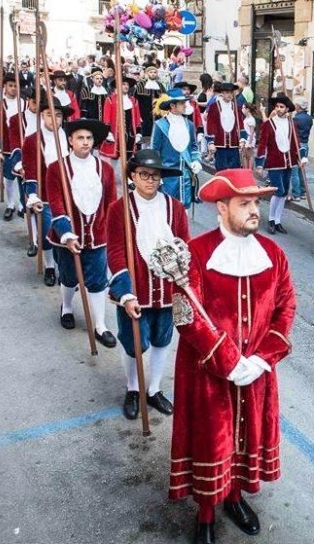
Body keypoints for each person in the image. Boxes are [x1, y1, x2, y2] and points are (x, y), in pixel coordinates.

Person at [168, 168, 296, 544]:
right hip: (208, 374)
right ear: (222, 208)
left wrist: (260, 359)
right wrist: (227, 361)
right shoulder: (196, 253)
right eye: (245, 203)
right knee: (212, 441)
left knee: (246, 437)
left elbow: (286, 308)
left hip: (256, 372)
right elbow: (186, 315)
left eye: (256, 202)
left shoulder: (273, 253)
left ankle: (235, 497)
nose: (254, 210)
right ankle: (206, 514)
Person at [106, 150, 190, 420]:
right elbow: (116, 251)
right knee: (134, 342)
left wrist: (184, 275)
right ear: (132, 176)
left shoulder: (174, 207)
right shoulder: (120, 208)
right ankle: (133, 388)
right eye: (144, 174)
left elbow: (184, 245)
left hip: (167, 289)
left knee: (163, 339)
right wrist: (126, 293)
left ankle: (153, 389)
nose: (150, 180)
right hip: (136, 289)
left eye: (155, 176)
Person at [45, 119, 118, 348]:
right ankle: (66, 307)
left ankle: (99, 325)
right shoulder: (56, 168)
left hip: (98, 235)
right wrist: (66, 234)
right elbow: (56, 204)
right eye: (80, 138)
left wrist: (112, 231)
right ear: (70, 141)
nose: (85, 142)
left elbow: (111, 203)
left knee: (97, 281)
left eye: (88, 138)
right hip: (68, 236)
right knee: (68, 276)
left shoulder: (104, 169)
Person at [15, 94, 69, 286]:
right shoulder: (32, 140)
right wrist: (32, 194)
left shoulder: (69, 137)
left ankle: (65, 269)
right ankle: (49, 267)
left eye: (59, 115)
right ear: (42, 116)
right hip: (45, 195)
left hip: (67, 195)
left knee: (65, 234)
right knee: (46, 234)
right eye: (49, 114)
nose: (54, 119)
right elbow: (30, 170)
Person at [150, 89, 203, 208]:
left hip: (186, 177)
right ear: (172, 106)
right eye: (182, 103)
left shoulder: (189, 125)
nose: (185, 106)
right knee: (167, 210)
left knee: (184, 211)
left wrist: (196, 160)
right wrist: (156, 174)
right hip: (167, 177)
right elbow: (154, 151)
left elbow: (194, 147)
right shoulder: (160, 125)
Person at [255, 94, 299, 234]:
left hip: (289, 162)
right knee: (278, 191)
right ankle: (271, 219)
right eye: (277, 106)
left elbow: (296, 142)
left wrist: (300, 158)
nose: (279, 109)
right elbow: (262, 144)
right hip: (274, 162)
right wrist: (260, 164)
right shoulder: (268, 124)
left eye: (282, 107)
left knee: (284, 192)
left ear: (287, 109)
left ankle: (278, 220)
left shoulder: (292, 123)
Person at [0, 73, 24, 221]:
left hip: (22, 147)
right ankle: (10, 205)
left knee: (23, 177)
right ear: (5, 87)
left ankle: (22, 204)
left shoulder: (25, 104)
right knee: (9, 178)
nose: (13, 88)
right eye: (10, 85)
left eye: (16, 86)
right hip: (7, 146)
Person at [100, 75, 143, 168]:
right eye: (123, 84)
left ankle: (127, 179)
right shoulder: (110, 99)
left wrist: (139, 133)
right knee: (114, 158)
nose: (126, 86)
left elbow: (137, 117)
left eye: (127, 85)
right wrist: (108, 132)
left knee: (130, 157)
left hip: (130, 134)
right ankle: (113, 179)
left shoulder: (133, 101)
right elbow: (106, 118)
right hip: (116, 134)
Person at [206, 81, 247, 171]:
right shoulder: (214, 107)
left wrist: (242, 139)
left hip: (234, 145)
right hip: (220, 145)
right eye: (227, 92)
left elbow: (240, 124)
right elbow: (210, 125)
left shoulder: (236, 107)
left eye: (231, 92)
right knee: (222, 171)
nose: (230, 95)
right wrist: (211, 142)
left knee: (235, 171)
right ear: (222, 93)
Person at [289, 98, 313, 201]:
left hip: (297, 144)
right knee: (301, 170)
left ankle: (296, 194)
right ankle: (302, 192)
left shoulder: (296, 119)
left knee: (294, 170)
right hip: (305, 143)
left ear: (298, 106)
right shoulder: (309, 118)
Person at [135, 62, 165, 141]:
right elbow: (136, 101)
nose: (153, 74)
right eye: (151, 72)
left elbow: (165, 100)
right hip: (144, 115)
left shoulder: (160, 85)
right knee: (145, 136)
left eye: (155, 72)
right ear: (147, 73)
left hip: (157, 116)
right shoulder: (141, 85)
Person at [241, 102, 259, 171]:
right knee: (244, 156)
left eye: (243, 108)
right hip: (245, 139)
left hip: (249, 140)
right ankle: (246, 171)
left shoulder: (251, 119)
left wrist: (250, 143)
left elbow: (251, 133)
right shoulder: (246, 119)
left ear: (247, 109)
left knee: (249, 156)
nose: (242, 109)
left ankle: (249, 171)